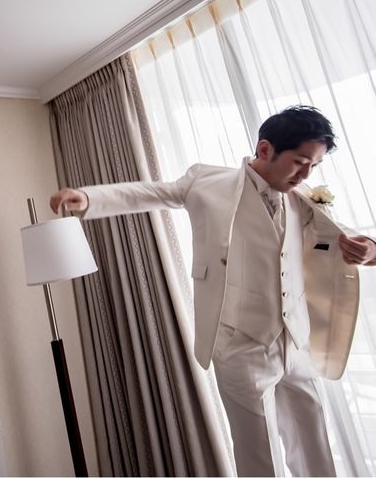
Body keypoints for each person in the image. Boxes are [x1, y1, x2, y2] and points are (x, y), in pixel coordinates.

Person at [50, 105, 376, 477]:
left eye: (314, 166)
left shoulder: (300, 197)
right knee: (258, 457)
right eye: (300, 162)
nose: (306, 175)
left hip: (296, 341)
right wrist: (90, 199)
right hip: (241, 345)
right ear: (265, 149)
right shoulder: (207, 182)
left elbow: (342, 234)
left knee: (314, 443)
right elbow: (154, 192)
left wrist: (369, 249)